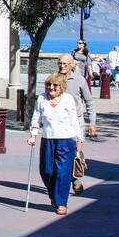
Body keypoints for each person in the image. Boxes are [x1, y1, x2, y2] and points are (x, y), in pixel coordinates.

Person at [28, 72, 83, 216]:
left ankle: (61, 202)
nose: (51, 88)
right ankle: (53, 194)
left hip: (66, 139)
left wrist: (79, 138)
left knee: (62, 172)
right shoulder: (42, 98)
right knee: (46, 171)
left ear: (62, 86)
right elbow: (36, 117)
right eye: (48, 85)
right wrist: (33, 134)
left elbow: (74, 120)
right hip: (48, 139)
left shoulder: (68, 99)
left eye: (55, 85)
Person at [57, 54, 97, 193]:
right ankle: (65, 181)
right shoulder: (54, 80)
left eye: (65, 64)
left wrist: (92, 123)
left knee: (74, 152)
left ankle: (75, 180)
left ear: (72, 65)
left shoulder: (80, 80)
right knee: (60, 153)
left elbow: (89, 102)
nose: (62, 66)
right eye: (60, 63)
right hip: (59, 122)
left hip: (77, 122)